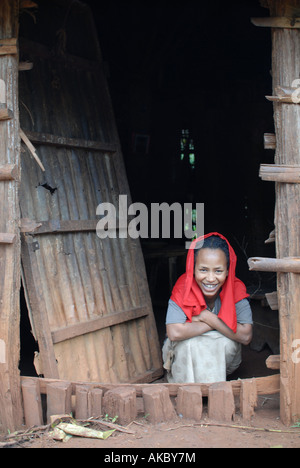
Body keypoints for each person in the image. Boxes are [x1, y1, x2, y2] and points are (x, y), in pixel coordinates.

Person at [162, 232, 253, 383]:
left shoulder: (236, 289)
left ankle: (212, 390)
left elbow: (245, 336)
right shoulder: (183, 287)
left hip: (224, 362)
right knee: (189, 344)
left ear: (228, 271)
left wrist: (205, 317)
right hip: (184, 361)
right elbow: (174, 332)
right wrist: (219, 325)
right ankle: (192, 393)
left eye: (218, 271)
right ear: (193, 268)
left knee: (222, 342)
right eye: (203, 270)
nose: (210, 278)